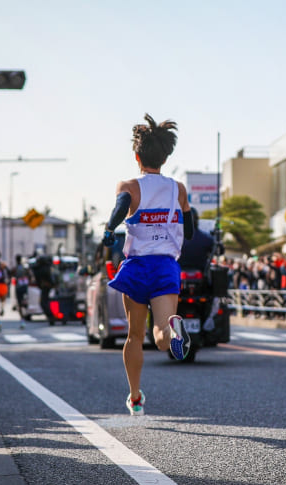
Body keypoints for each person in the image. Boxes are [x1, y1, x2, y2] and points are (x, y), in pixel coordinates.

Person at [103, 113, 193, 416]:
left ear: (137, 155)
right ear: (165, 157)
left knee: (134, 336)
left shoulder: (129, 185)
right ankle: (173, 332)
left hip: (136, 266)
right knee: (160, 336)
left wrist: (108, 230)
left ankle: (135, 396)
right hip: (166, 265)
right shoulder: (177, 189)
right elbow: (190, 228)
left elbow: (119, 210)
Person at [11, 254, 30, 329]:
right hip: (24, 287)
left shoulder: (15, 268)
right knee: (24, 302)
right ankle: (24, 311)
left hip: (19, 287)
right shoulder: (25, 268)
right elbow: (30, 275)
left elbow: (11, 276)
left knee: (19, 304)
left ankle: (22, 319)